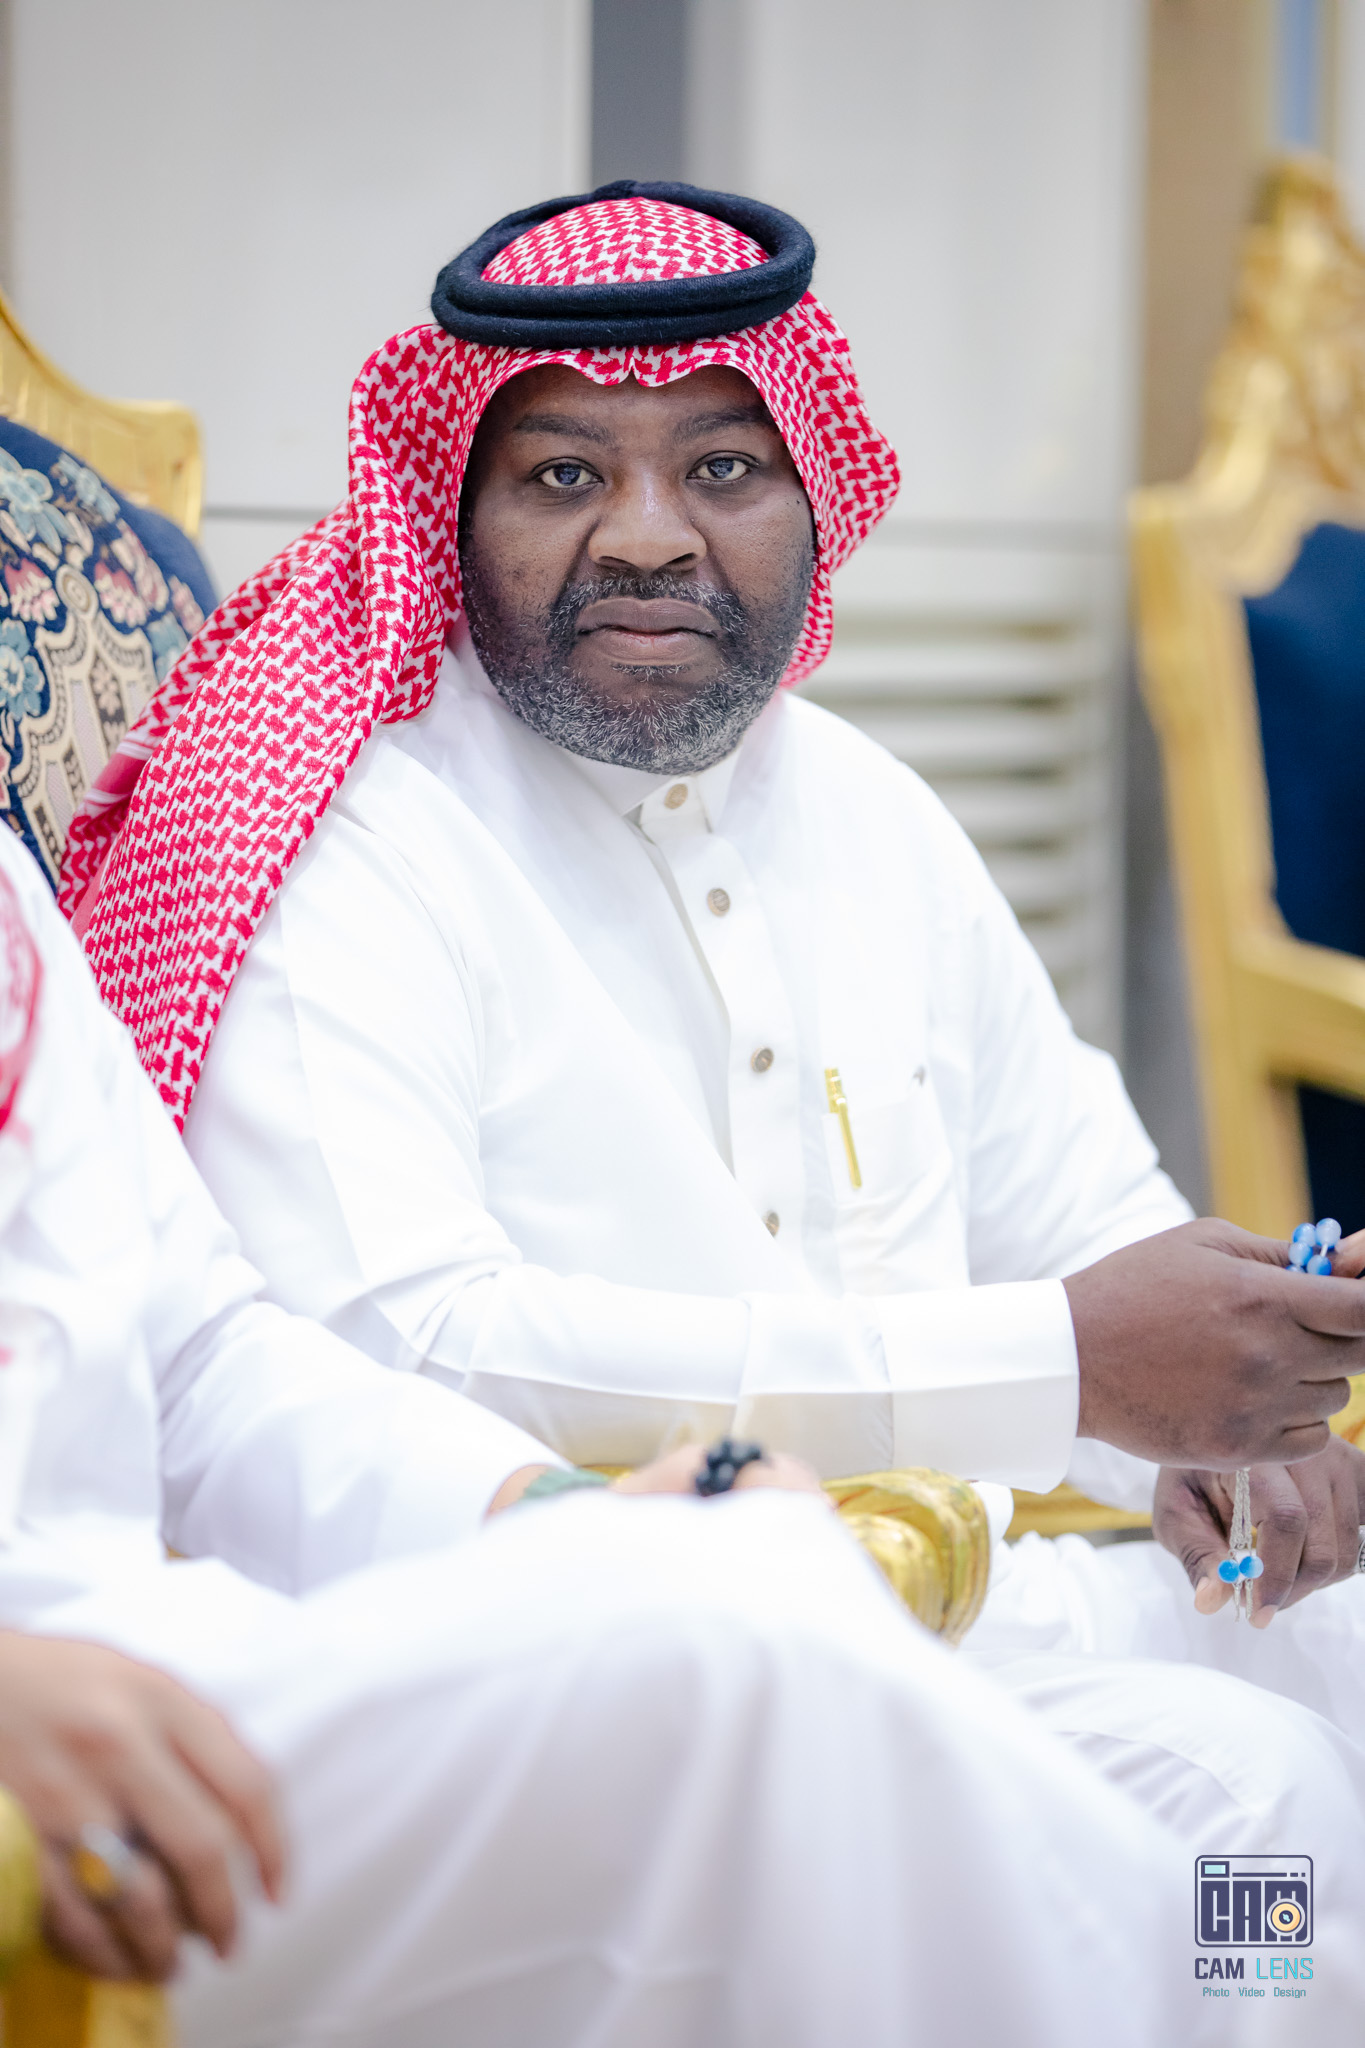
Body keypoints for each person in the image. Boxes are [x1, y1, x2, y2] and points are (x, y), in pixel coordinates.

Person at [59, 182, 1365, 1893]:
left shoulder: (872, 813)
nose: (647, 537)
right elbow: (396, 1356)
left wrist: (1225, 1435)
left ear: (815, 496)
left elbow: (1086, 1222)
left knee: (1331, 1642)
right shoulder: (342, 837)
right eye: (562, 476)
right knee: (1252, 1810)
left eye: (724, 466)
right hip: (560, 1661)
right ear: (452, 510)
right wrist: (1060, 1374)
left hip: (941, 1612)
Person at [0, 827, 1221, 2048]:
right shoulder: (377, 849)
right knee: (744, 1665)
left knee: (1248, 1740)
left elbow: (202, 1356)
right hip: (79, 1764)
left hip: (196, 1675)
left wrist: (556, 1515)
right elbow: (420, 1325)